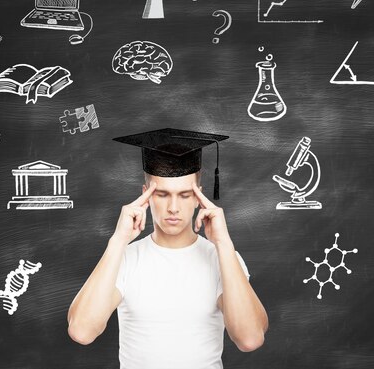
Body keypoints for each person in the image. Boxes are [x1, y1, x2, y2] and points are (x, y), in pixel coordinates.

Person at [67, 128, 268, 369]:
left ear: (198, 197)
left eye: (184, 195)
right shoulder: (125, 258)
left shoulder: (222, 258)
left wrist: (223, 244)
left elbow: (250, 338)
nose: (173, 207)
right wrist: (118, 240)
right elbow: (81, 331)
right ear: (146, 196)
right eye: (162, 194)